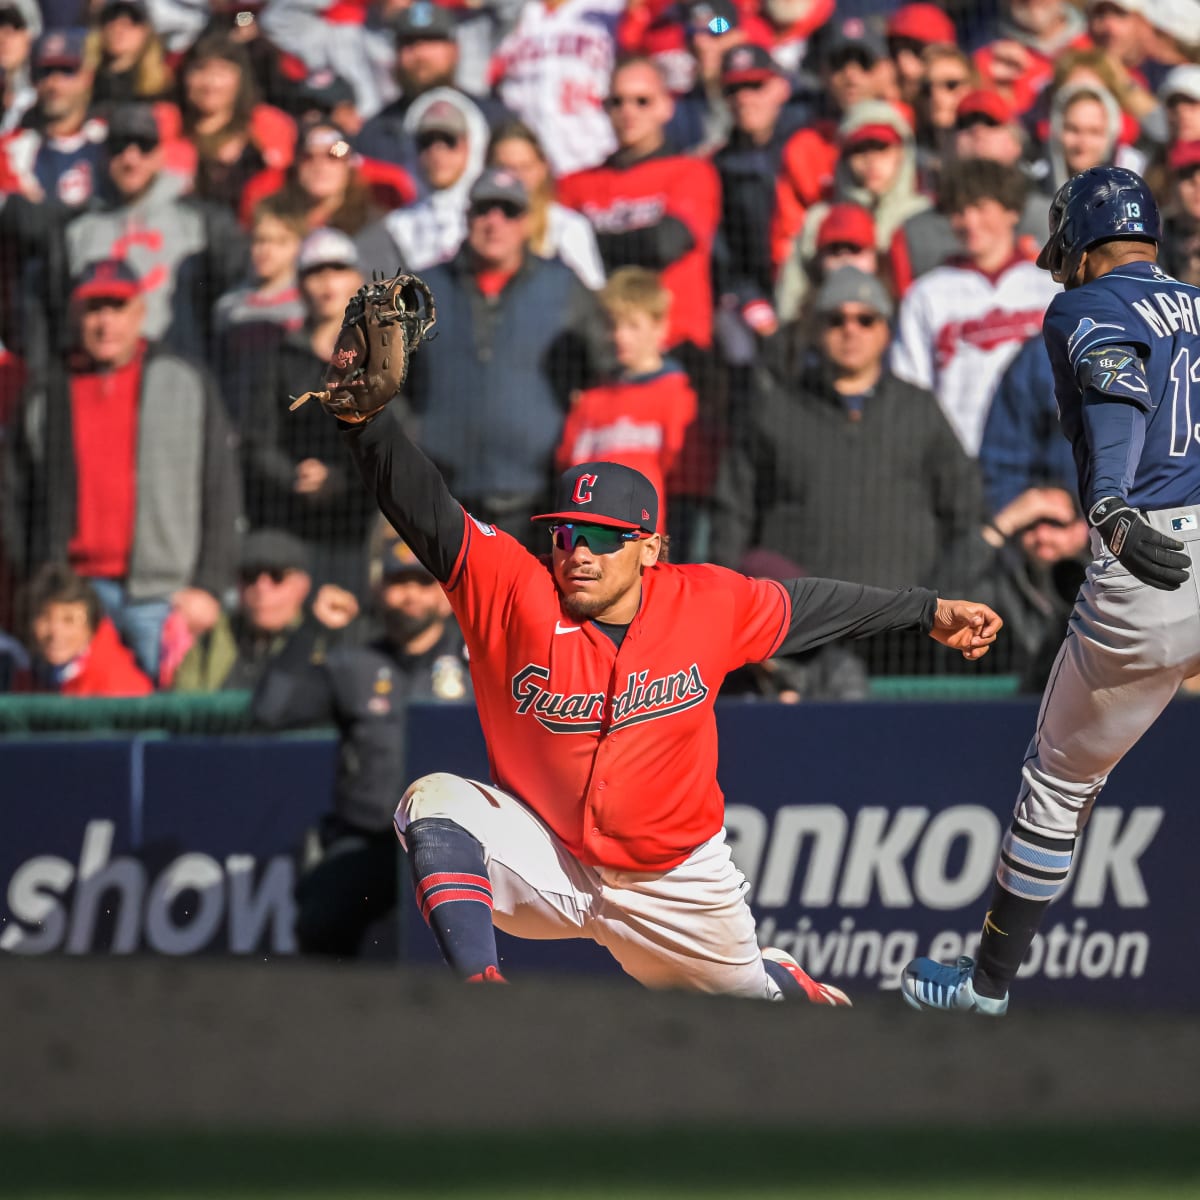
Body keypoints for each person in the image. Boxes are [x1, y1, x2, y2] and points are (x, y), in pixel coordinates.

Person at [327, 345, 1004, 997]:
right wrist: (367, 425)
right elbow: (428, 514)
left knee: (758, 1024)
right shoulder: (514, 591)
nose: (578, 554)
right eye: (565, 535)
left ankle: (782, 985)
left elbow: (813, 605)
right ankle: (481, 991)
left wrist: (926, 611)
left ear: (649, 546)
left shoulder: (706, 602)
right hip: (549, 857)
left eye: (601, 536)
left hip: (674, 881)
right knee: (433, 801)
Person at [901, 166, 1198, 1016]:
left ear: (1082, 241)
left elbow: (1117, 392)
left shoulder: (1086, 304)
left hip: (1154, 556)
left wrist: (1107, 502)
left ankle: (988, 986)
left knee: (1060, 781)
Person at [4, 258, 241, 682]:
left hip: (166, 595)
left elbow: (220, 489)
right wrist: (40, 580)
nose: (105, 322)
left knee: (167, 730)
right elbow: (13, 495)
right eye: (94, 309)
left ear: (140, 311)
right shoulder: (45, 391)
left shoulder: (185, 381)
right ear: (77, 315)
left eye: (117, 306)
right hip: (73, 596)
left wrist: (208, 586)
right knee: (74, 735)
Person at [251, 533, 472, 957]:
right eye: (397, 582)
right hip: (371, 840)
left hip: (458, 843)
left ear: (444, 596)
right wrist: (312, 631)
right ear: (378, 590)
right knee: (320, 918)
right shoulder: (353, 664)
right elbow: (268, 711)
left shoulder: (477, 661)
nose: (409, 595)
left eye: (422, 583)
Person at [711, 266, 986, 597]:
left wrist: (948, 595)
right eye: (836, 320)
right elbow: (733, 512)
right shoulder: (775, 410)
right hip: (802, 624)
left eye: (865, 319)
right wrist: (721, 595)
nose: (850, 330)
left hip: (902, 623)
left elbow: (965, 508)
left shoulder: (919, 409)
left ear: (886, 330)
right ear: (815, 329)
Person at [405, 167, 609, 548]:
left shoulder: (564, 285)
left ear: (527, 222)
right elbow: (387, 381)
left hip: (540, 497)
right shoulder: (422, 288)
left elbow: (606, 370)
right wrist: (412, 442)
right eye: (484, 210)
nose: (494, 222)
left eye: (509, 211)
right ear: (466, 217)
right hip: (443, 497)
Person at [239, 227, 379, 596]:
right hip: (294, 527)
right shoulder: (278, 359)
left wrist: (344, 480)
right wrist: (295, 477)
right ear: (299, 285)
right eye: (315, 272)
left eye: (337, 269)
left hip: (362, 526)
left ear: (358, 279)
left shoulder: (385, 358)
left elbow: (404, 435)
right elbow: (258, 440)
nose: (327, 282)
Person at [889, 157, 1060, 457]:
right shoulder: (926, 294)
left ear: (1011, 210)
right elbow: (910, 390)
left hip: (1040, 455)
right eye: (958, 211)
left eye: (980, 208)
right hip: (959, 455)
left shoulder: (1051, 289)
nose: (969, 222)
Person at [556, 267, 697, 536]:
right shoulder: (591, 400)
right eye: (613, 324)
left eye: (633, 325)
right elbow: (567, 464)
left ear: (660, 327)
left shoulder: (678, 395)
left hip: (645, 545)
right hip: (586, 539)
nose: (620, 336)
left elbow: (683, 483)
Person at [173, 528, 358, 692]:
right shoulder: (212, 637)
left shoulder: (322, 638)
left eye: (276, 576)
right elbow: (183, 701)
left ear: (303, 585)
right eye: (250, 576)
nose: (261, 588)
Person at [354, 89, 488, 274]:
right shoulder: (396, 229)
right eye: (426, 141)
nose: (437, 152)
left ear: (473, 145)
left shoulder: (492, 220)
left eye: (449, 141)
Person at [487, 119, 605, 289]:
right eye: (505, 168)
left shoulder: (567, 227)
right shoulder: (478, 227)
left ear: (542, 169)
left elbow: (590, 296)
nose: (516, 178)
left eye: (525, 168)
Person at [18, 562, 152, 696]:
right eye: (44, 618)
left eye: (68, 620)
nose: (55, 632)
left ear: (91, 626)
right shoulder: (27, 677)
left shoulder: (118, 686)